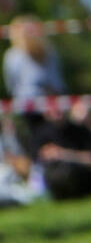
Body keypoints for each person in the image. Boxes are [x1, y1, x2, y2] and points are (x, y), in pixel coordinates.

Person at [2, 16, 65, 156]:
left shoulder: (48, 52)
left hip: (47, 104)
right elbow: (12, 85)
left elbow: (55, 80)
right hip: (29, 107)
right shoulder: (13, 56)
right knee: (37, 141)